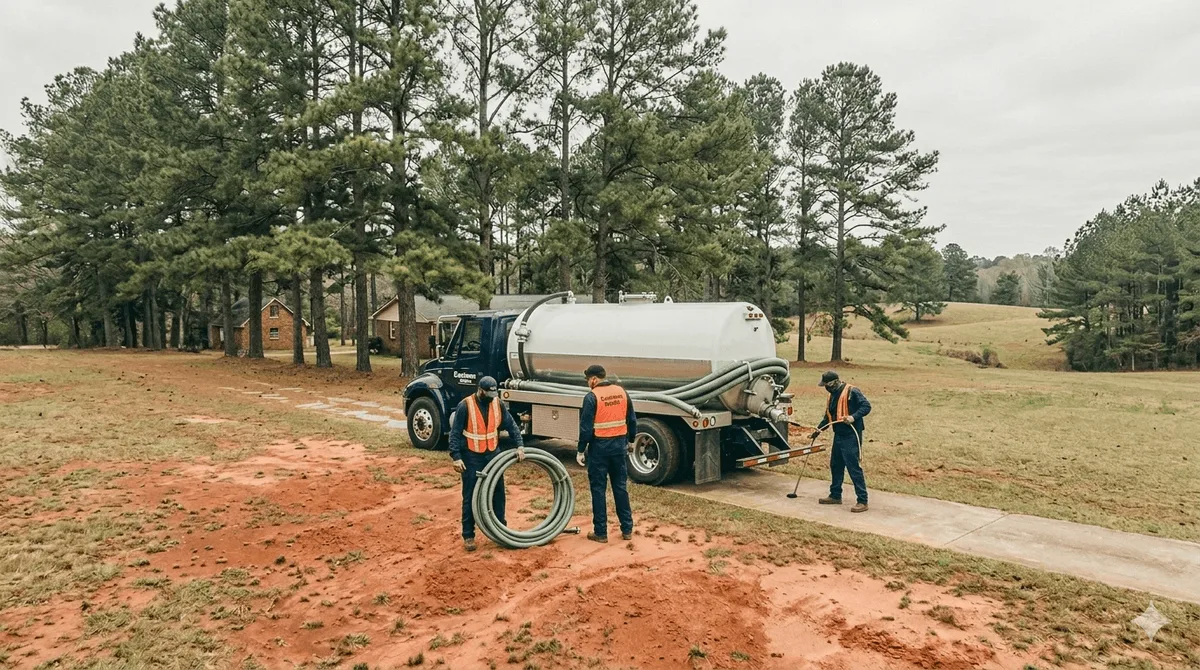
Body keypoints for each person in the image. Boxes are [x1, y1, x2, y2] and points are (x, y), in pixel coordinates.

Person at [449, 376, 525, 552]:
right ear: (480, 390)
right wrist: (456, 456)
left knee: (498, 493)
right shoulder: (465, 406)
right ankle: (469, 536)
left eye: (494, 393)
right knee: (470, 496)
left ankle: (501, 531)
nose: (492, 396)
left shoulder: (497, 404)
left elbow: (512, 426)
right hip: (471, 457)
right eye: (489, 393)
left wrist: (520, 446)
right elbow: (455, 433)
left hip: (493, 455)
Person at [577, 364, 637, 543]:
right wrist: (631, 441)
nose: (588, 383)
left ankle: (601, 532)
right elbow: (632, 420)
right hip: (619, 449)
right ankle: (627, 529)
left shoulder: (591, 397)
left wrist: (580, 450)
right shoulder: (622, 392)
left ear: (594, 379)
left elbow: (586, 429)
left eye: (588, 380)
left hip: (599, 451)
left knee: (598, 489)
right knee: (620, 488)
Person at [810, 370, 872, 513]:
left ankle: (862, 500)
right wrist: (817, 431)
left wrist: (853, 417)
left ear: (835, 382)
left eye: (827, 384)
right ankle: (835, 495)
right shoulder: (832, 396)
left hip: (851, 435)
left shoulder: (852, 391)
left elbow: (866, 406)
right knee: (836, 465)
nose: (826, 387)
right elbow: (828, 417)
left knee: (853, 467)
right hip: (838, 435)